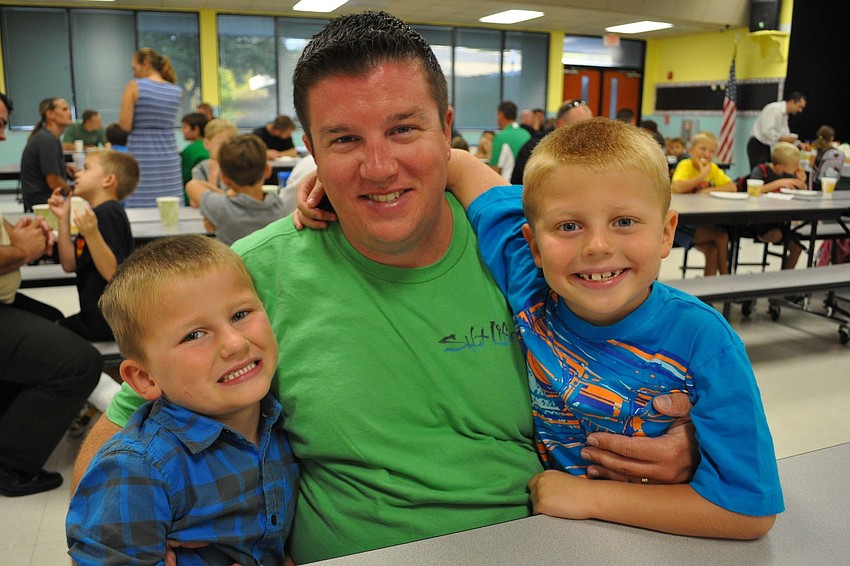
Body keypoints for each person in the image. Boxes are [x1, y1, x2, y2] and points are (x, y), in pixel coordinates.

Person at [76, 11, 697, 563]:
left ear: (446, 128)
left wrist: (681, 447)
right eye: (344, 139)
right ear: (309, 149)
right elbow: (116, 447)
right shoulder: (244, 284)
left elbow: (656, 371)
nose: (378, 168)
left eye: (404, 130)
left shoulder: (532, 258)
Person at [445, 117, 782, 539]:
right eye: (569, 226)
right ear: (533, 245)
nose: (597, 247)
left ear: (665, 233)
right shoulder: (529, 282)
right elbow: (459, 166)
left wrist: (589, 499)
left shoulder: (705, 342)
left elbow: (748, 513)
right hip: (553, 540)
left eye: (624, 221)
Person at [67, 235, 298, 565]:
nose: (234, 343)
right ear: (145, 379)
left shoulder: (276, 422)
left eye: (241, 314)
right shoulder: (136, 470)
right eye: (194, 334)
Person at [0, 91, 101, 497]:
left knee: (52, 321)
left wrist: (16, 236)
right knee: (80, 363)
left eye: (4, 125)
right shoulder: (45, 142)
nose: (3, 136)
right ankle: (10, 464)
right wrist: (21, 249)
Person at [48, 149, 137, 340]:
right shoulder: (96, 214)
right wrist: (63, 219)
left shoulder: (109, 212)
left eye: (86, 168)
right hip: (93, 316)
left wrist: (92, 234)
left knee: (47, 333)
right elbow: (69, 264)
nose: (78, 173)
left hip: (108, 322)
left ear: (108, 180)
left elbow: (114, 274)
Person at [186, 134, 290, 245]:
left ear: (224, 179)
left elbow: (192, 185)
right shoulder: (280, 206)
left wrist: (225, 194)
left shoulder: (222, 207)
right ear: (268, 171)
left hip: (234, 262)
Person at [119, 47, 183, 208]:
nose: (133, 73)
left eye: (134, 68)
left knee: (141, 204)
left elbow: (124, 125)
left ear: (145, 64)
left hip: (143, 153)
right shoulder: (176, 91)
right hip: (168, 154)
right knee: (170, 205)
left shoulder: (135, 86)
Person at [671, 131, 733, 276]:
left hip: (698, 221)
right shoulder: (685, 165)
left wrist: (708, 190)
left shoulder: (713, 168)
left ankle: (709, 289)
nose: (706, 154)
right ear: (691, 150)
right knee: (721, 235)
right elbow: (677, 187)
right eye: (702, 149)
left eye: (711, 151)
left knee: (712, 249)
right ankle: (726, 276)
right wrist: (702, 176)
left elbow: (731, 187)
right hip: (679, 223)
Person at [745, 142, 805, 270]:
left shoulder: (789, 173)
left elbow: (801, 192)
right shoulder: (761, 170)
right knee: (776, 234)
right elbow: (755, 189)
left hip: (780, 220)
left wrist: (801, 182)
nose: (797, 167)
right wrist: (779, 183)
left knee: (797, 247)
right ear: (778, 168)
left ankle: (785, 277)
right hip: (759, 220)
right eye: (795, 165)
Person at [511, 98, 593, 185]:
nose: (586, 136)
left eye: (590, 129)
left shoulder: (587, 148)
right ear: (562, 125)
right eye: (580, 129)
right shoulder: (536, 149)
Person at [20, 97, 75, 211]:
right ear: (50, 114)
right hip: (43, 200)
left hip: (40, 197)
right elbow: (53, 182)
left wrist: (63, 168)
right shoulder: (47, 140)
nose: (69, 113)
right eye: (64, 109)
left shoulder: (47, 137)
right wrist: (75, 192)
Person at [747, 92, 806, 170]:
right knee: (759, 174)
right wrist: (783, 139)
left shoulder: (784, 114)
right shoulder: (774, 109)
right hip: (757, 145)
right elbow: (767, 131)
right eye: (799, 107)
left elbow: (785, 134)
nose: (800, 110)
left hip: (766, 147)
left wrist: (798, 143)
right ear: (792, 102)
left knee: (767, 174)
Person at [186, 118, 239, 194]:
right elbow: (197, 201)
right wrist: (213, 174)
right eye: (221, 144)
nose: (226, 148)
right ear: (207, 143)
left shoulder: (239, 167)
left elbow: (239, 196)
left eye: (231, 144)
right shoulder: (200, 169)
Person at [490, 100, 531, 182]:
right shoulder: (527, 134)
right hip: (525, 185)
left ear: (501, 115)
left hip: (507, 186)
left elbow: (493, 171)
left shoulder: (501, 137)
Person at [179, 112, 210, 187]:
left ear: (196, 129)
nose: (181, 130)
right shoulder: (209, 145)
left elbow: (184, 179)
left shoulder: (190, 150)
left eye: (184, 127)